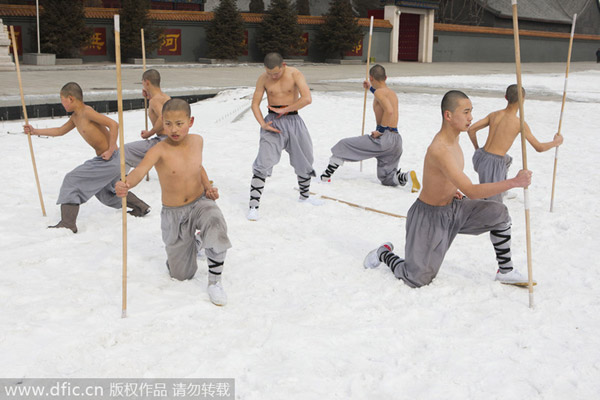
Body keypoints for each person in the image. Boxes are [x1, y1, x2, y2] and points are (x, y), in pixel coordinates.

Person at [363, 90, 534, 287]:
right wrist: (514, 182)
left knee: (499, 213)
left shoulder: (455, 139)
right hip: (429, 218)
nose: (471, 118)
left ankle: (506, 270)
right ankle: (383, 253)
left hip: (455, 208)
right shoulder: (440, 149)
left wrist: (452, 189)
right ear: (448, 115)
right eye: (466, 112)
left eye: (471, 112)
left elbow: (450, 178)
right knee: (417, 278)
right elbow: (471, 190)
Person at [115, 98, 232, 306]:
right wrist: (126, 184)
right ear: (162, 122)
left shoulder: (197, 141)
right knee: (180, 275)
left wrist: (208, 187)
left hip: (200, 202)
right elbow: (140, 171)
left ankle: (215, 282)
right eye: (168, 124)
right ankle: (194, 244)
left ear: (190, 121)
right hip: (174, 212)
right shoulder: (159, 150)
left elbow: (198, 167)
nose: (174, 129)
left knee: (215, 221)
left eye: (179, 124)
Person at [23, 82, 150, 233]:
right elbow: (59, 130)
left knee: (72, 179)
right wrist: (35, 131)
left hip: (112, 158)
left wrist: (110, 149)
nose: (61, 103)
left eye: (62, 100)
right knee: (105, 192)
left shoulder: (86, 112)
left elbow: (113, 124)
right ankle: (140, 207)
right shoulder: (76, 117)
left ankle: (68, 223)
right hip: (107, 160)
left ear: (70, 98)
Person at [319, 64, 420, 192]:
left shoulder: (379, 93)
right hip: (396, 140)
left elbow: (388, 111)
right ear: (386, 77)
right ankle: (405, 176)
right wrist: (370, 88)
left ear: (371, 77)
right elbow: (383, 99)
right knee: (386, 178)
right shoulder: (391, 93)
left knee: (344, 145)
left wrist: (380, 131)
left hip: (384, 138)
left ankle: (325, 176)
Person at [247, 52, 322, 221]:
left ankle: (305, 196)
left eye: (276, 73)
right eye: (269, 73)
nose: (273, 76)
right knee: (264, 161)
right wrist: (263, 124)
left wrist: (285, 110)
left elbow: (307, 98)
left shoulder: (295, 74)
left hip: (293, 119)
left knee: (305, 158)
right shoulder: (263, 78)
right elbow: (254, 104)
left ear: (284, 65)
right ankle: (253, 206)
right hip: (272, 122)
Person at [467, 84, 563, 202]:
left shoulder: (494, 114)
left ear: (506, 97)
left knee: (507, 160)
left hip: (480, 157)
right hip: (492, 165)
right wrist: (556, 142)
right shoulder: (519, 123)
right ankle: (496, 198)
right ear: (523, 99)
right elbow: (539, 147)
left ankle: (503, 191)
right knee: (493, 204)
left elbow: (471, 129)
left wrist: (477, 148)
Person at [124, 69, 171, 169]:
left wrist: (150, 133)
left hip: (163, 140)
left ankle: (121, 178)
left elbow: (163, 118)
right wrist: (149, 95)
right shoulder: (166, 97)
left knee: (125, 151)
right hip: (170, 137)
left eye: (142, 82)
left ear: (147, 82)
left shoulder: (154, 100)